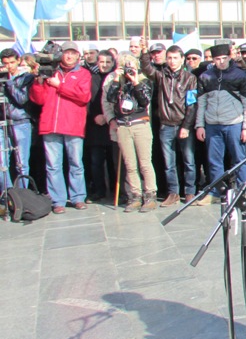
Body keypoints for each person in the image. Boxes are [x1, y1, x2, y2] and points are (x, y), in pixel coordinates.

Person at [30, 41, 92, 213]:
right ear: (60, 55)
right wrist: (38, 81)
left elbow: (83, 96)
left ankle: (78, 197)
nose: (69, 56)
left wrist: (60, 86)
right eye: (66, 52)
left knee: (75, 163)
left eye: (73, 53)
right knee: (53, 165)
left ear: (78, 56)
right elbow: (38, 99)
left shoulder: (83, 74)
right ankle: (58, 200)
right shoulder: (50, 72)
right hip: (50, 125)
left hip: (73, 125)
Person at [194, 43, 246, 205]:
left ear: (230, 57)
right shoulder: (205, 77)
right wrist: (199, 125)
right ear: (212, 59)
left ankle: (244, 191)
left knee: (239, 159)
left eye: (224, 58)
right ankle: (216, 191)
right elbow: (201, 104)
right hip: (212, 124)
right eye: (217, 59)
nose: (221, 62)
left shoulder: (241, 76)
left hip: (234, 123)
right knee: (214, 161)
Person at [141, 43, 199, 206]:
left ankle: (189, 192)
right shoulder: (161, 76)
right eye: (169, 58)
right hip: (166, 125)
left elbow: (192, 104)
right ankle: (173, 192)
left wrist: (186, 126)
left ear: (182, 59)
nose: (172, 61)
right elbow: (147, 69)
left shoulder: (190, 78)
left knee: (189, 161)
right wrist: (145, 53)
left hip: (183, 125)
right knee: (169, 163)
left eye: (175, 58)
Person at [104, 53, 157, 212]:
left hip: (140, 123)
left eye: (130, 66)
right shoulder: (116, 82)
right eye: (124, 66)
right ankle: (134, 195)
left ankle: (150, 194)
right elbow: (111, 99)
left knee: (145, 163)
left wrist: (135, 82)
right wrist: (116, 79)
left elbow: (145, 100)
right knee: (130, 164)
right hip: (123, 125)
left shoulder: (144, 80)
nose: (128, 70)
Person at [0, 49, 36, 189]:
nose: (9, 66)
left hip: (20, 121)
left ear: (18, 61)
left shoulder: (26, 77)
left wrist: (9, 82)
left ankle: (22, 195)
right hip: (2, 122)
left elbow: (22, 99)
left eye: (12, 62)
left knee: (21, 163)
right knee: (2, 163)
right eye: (5, 63)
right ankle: (8, 194)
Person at [84, 50, 116, 203]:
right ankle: (99, 190)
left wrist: (109, 116)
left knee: (113, 161)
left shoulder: (116, 77)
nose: (104, 65)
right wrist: (94, 115)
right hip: (95, 124)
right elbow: (86, 100)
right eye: (102, 62)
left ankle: (116, 190)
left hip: (112, 122)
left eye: (108, 62)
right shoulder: (90, 78)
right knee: (96, 161)